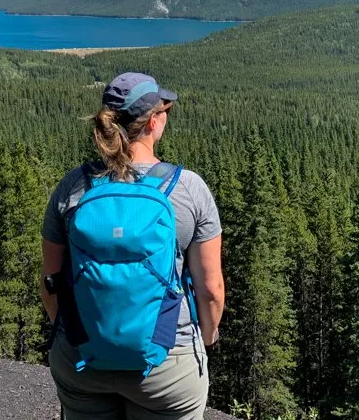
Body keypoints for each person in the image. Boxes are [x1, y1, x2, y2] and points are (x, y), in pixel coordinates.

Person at [41, 72, 224, 420]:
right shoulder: (188, 189)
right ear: (154, 122)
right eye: (164, 112)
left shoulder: (73, 187)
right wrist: (206, 338)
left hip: (81, 359)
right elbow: (212, 290)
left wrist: (76, 332)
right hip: (167, 362)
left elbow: (50, 280)